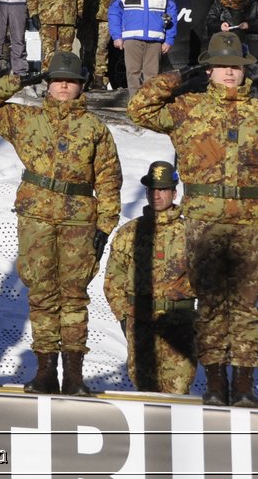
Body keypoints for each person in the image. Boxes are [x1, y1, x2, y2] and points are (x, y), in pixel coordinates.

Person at [125, 32, 258, 407]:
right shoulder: (189, 108)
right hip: (203, 225)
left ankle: (246, 384)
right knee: (212, 307)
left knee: (244, 308)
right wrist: (178, 76)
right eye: (221, 66)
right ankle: (217, 384)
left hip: (251, 227)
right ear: (210, 70)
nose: (229, 73)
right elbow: (138, 109)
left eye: (235, 67)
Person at [0, 51, 122, 396]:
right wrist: (23, 79)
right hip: (36, 219)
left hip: (79, 222)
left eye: (69, 81)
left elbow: (109, 182)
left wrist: (104, 228)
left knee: (73, 297)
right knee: (41, 296)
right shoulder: (26, 120)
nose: (62, 86)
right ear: (48, 84)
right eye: (56, 80)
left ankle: (73, 374)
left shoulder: (95, 129)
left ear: (80, 86)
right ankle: (44, 372)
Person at [104, 161, 197, 395]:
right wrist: (125, 319)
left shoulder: (192, 233)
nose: (157, 195)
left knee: (177, 393)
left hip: (179, 325)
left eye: (163, 189)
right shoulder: (129, 233)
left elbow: (208, 281)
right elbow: (113, 281)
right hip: (141, 323)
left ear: (174, 192)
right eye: (152, 190)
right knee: (146, 393)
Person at [109, 0, 178, 99]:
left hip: (155, 40)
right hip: (131, 38)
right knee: (132, 72)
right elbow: (114, 13)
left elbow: (172, 15)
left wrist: (169, 39)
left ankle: (149, 104)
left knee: (152, 75)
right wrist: (116, 36)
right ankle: (135, 104)